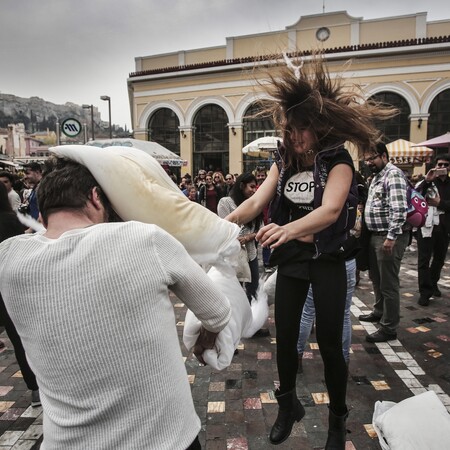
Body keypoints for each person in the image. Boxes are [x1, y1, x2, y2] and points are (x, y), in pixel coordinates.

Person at [0, 156, 231, 450]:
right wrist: (206, 338)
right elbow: (218, 311)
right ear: (96, 198)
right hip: (165, 438)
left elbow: (38, 238)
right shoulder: (144, 238)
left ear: (42, 214)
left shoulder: (8, 259)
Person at [225, 54, 396, 449]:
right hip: (294, 262)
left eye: (301, 130)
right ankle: (288, 405)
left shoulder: (339, 160)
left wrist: (286, 229)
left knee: (333, 345)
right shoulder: (282, 161)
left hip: (329, 260)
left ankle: (338, 422)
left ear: (318, 128)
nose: (295, 138)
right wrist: (223, 224)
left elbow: (331, 210)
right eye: (290, 129)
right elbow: (255, 203)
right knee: (286, 339)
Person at [359, 143, 409, 343]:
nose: (369, 162)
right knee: (376, 279)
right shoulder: (377, 176)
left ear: (384, 156)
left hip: (388, 236)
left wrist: (391, 236)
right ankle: (379, 311)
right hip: (375, 234)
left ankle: (389, 327)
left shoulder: (393, 174)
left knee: (388, 283)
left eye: (372, 158)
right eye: (367, 159)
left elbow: (399, 209)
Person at [0, 182, 40, 405]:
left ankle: (34, 389)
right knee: (25, 335)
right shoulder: (11, 219)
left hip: (3, 287)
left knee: (17, 340)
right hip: (16, 282)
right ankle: (41, 384)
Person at [218, 173, 263, 302]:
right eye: (252, 187)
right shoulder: (225, 202)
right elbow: (223, 227)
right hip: (232, 255)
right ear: (242, 186)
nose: (254, 190)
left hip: (251, 254)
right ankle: (237, 318)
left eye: (256, 187)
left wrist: (249, 237)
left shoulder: (254, 204)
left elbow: (260, 229)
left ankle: (251, 318)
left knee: (253, 289)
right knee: (234, 291)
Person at [415, 155, 450, 306]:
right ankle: (425, 292)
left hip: (444, 227)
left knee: (439, 259)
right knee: (423, 259)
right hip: (426, 227)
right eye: (440, 164)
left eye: (446, 165)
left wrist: (440, 203)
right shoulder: (428, 182)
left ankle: (433, 282)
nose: (442, 167)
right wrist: (427, 179)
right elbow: (416, 195)